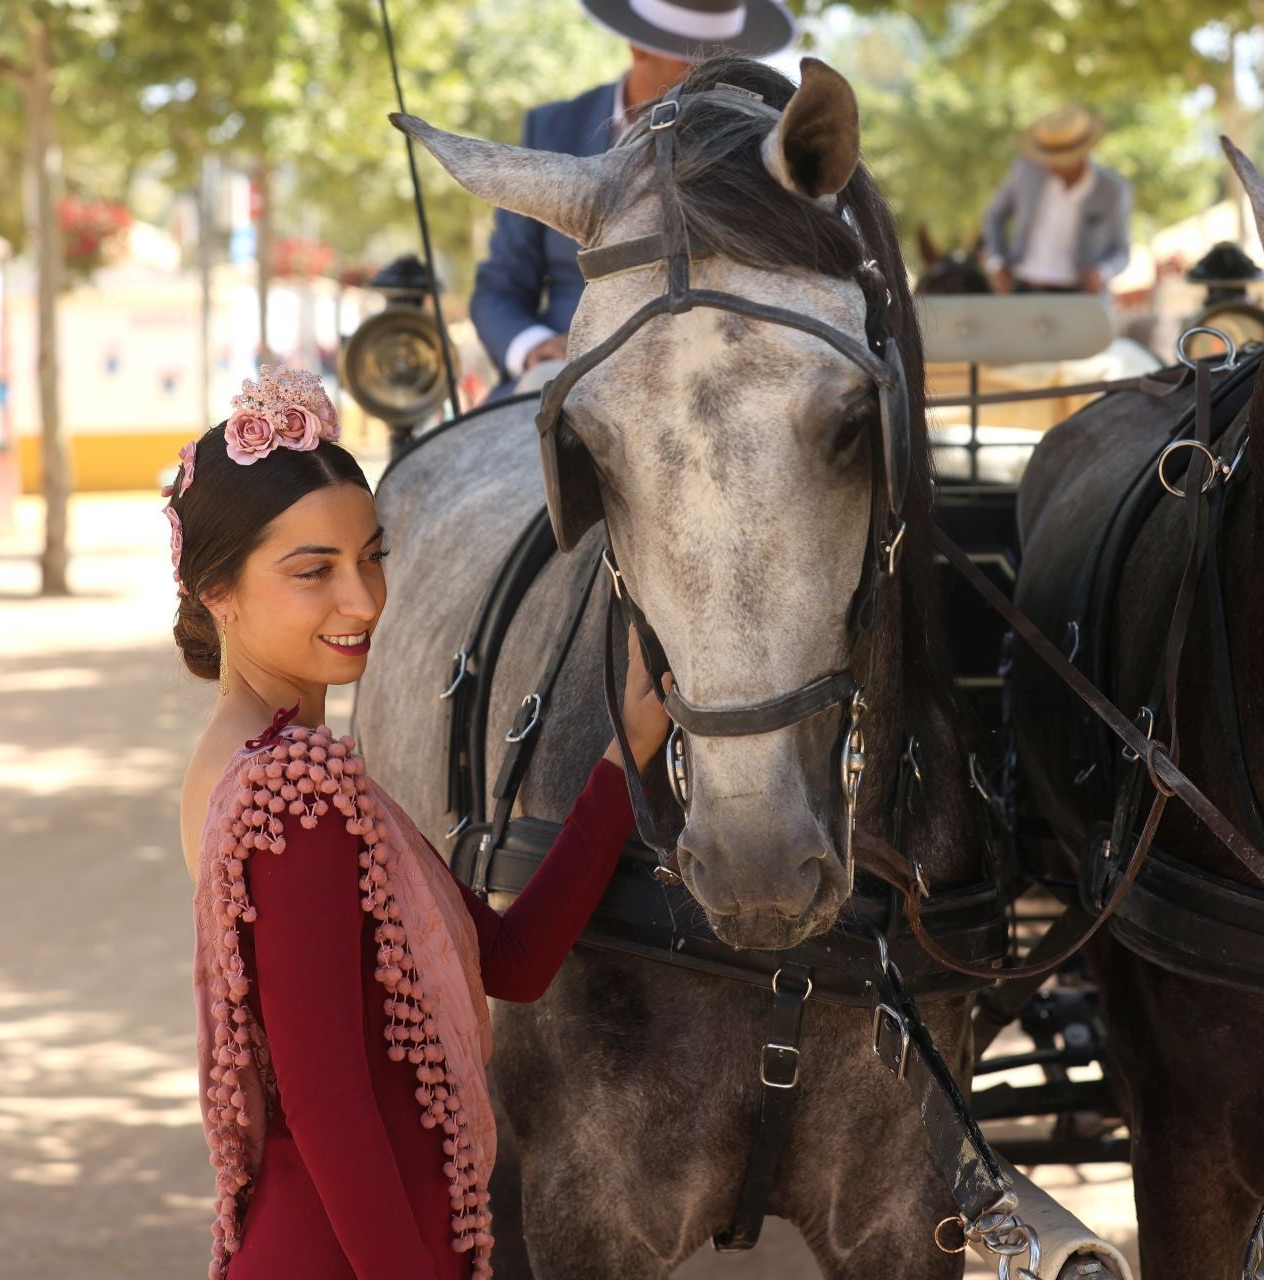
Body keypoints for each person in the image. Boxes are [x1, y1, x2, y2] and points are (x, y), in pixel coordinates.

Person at [168, 365, 669, 1279]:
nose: (362, 602)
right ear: (219, 594)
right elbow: (330, 1109)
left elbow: (512, 964)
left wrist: (624, 750)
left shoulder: (241, 762)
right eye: (313, 572)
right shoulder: (298, 792)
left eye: (372, 558)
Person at [469, 0, 796, 393]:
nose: (711, 82)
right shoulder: (553, 129)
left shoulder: (761, 138)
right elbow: (501, 285)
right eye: (691, 63)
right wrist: (534, 346)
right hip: (571, 372)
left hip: (720, 373)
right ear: (638, 46)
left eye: (725, 64)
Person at [980, 105, 1134, 296]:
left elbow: (1121, 252)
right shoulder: (1026, 171)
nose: (1050, 164)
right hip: (1022, 287)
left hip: (1079, 295)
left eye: (1059, 157)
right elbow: (994, 215)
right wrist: (996, 261)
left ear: (1081, 152)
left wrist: (1102, 273)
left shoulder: (1112, 190)